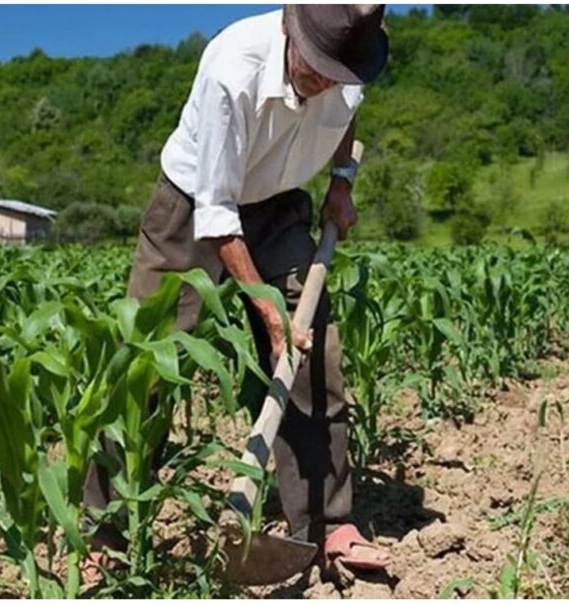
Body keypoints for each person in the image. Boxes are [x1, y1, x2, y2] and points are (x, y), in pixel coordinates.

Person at [81, 4, 391, 580]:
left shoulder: (350, 64)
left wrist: (341, 183)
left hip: (281, 201)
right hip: (195, 202)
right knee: (145, 363)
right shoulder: (233, 67)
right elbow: (217, 215)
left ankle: (326, 524)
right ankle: (104, 529)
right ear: (289, 30)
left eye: (337, 72)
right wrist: (267, 309)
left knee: (313, 354)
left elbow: (346, 118)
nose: (324, 80)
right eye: (316, 65)